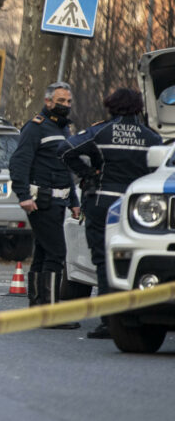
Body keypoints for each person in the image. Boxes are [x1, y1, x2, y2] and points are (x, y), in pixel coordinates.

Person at [61, 88, 162, 338]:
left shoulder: (101, 131)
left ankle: (109, 321)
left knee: (103, 261)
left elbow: (64, 150)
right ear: (139, 107)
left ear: (111, 105)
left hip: (102, 203)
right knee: (131, 259)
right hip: (136, 209)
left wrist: (88, 174)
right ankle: (134, 315)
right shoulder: (152, 138)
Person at [8, 81, 81, 324]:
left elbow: (65, 168)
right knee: (57, 252)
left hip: (59, 201)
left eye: (68, 101)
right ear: (48, 101)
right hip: (41, 200)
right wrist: (23, 196)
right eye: (61, 101)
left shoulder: (63, 129)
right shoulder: (35, 127)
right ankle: (50, 314)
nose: (65, 106)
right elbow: (19, 163)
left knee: (42, 251)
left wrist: (73, 199)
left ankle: (37, 306)